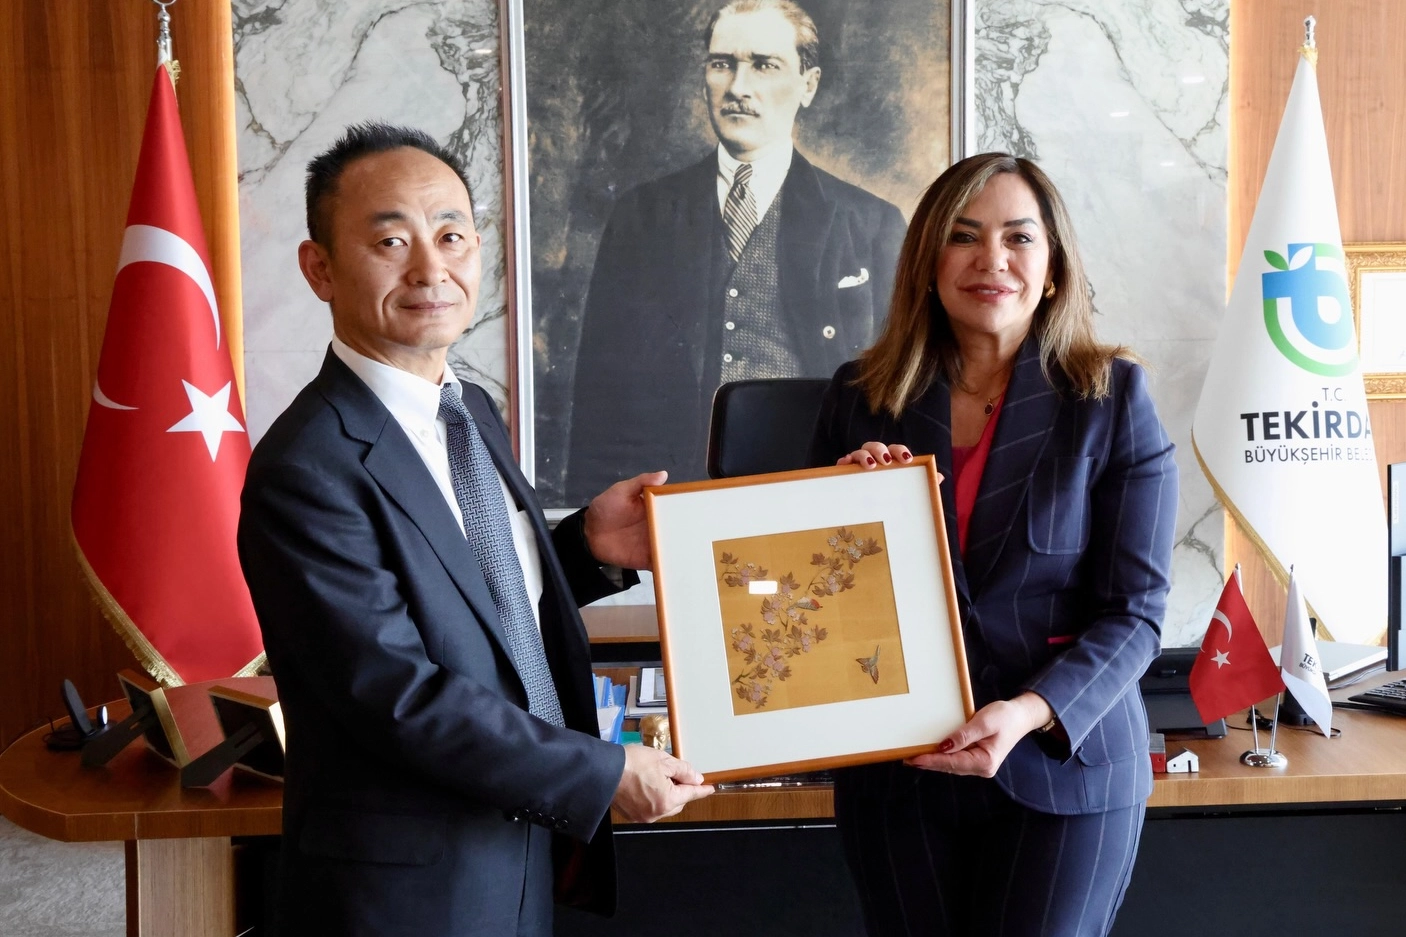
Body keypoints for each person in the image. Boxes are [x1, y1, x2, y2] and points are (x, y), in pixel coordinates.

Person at [237, 123, 713, 937]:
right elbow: (398, 695)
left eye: (451, 236)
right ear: (320, 268)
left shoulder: (469, 410)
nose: (431, 269)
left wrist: (584, 548)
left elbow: (467, 594)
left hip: (514, 852)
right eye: (391, 240)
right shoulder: (307, 465)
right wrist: (599, 773)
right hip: (405, 891)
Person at [807, 153, 1178, 937]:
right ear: (928, 261)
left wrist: (1027, 712)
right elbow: (811, 603)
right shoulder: (858, 399)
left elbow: (1136, 614)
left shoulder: (1111, 398)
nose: (992, 259)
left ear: (1053, 268)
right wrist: (837, 513)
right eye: (964, 236)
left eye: (1019, 237)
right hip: (899, 771)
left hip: (1062, 760)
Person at [565, 0, 907, 503]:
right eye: (722, 63)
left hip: (816, 500)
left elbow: (899, 396)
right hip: (678, 502)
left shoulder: (871, 222)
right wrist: (590, 523)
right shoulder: (641, 216)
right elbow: (600, 395)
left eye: (764, 65)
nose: (738, 87)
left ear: (808, 84)